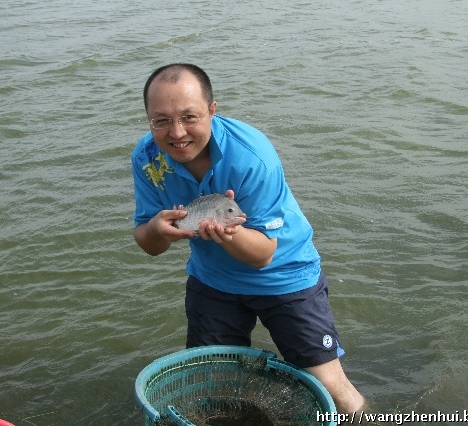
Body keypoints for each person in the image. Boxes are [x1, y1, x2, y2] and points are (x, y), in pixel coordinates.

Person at [131, 63, 365, 418]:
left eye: (189, 117)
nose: (176, 133)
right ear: (148, 119)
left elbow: (263, 256)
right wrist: (157, 231)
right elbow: (147, 243)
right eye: (160, 120)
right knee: (215, 388)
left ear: (212, 110)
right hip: (212, 281)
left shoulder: (252, 157)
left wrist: (229, 232)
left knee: (334, 390)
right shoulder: (147, 159)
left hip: (285, 276)